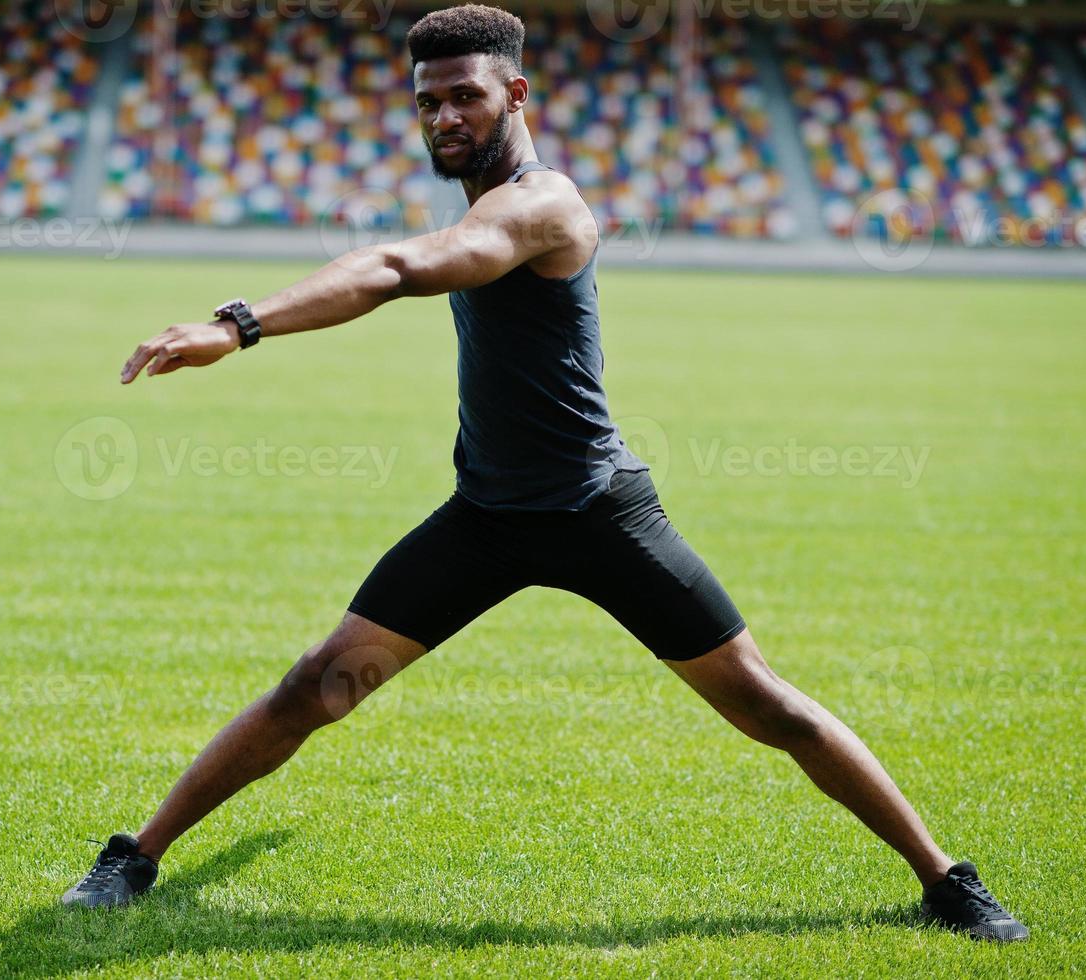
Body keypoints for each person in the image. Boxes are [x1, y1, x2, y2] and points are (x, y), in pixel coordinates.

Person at [62, 4, 1027, 942]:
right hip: (485, 518)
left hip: (599, 512)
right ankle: (133, 858)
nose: (444, 117)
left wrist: (237, 325)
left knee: (766, 707)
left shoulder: (543, 205)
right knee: (315, 687)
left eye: (464, 98)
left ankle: (946, 880)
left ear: (515, 92)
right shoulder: (479, 196)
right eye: (427, 102)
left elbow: (402, 267)